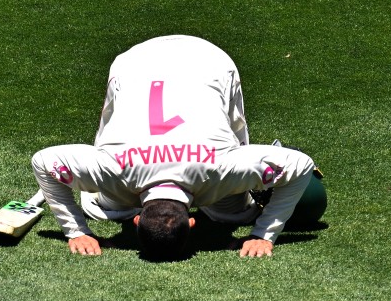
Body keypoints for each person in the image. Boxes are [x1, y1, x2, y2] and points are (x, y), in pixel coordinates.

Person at [26, 35, 319, 259]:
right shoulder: (111, 170)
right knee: (232, 212)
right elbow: (302, 164)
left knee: (109, 206)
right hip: (180, 62)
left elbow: (42, 162)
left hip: (174, 62)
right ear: (191, 223)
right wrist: (263, 234)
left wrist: (76, 230)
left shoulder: (222, 170)